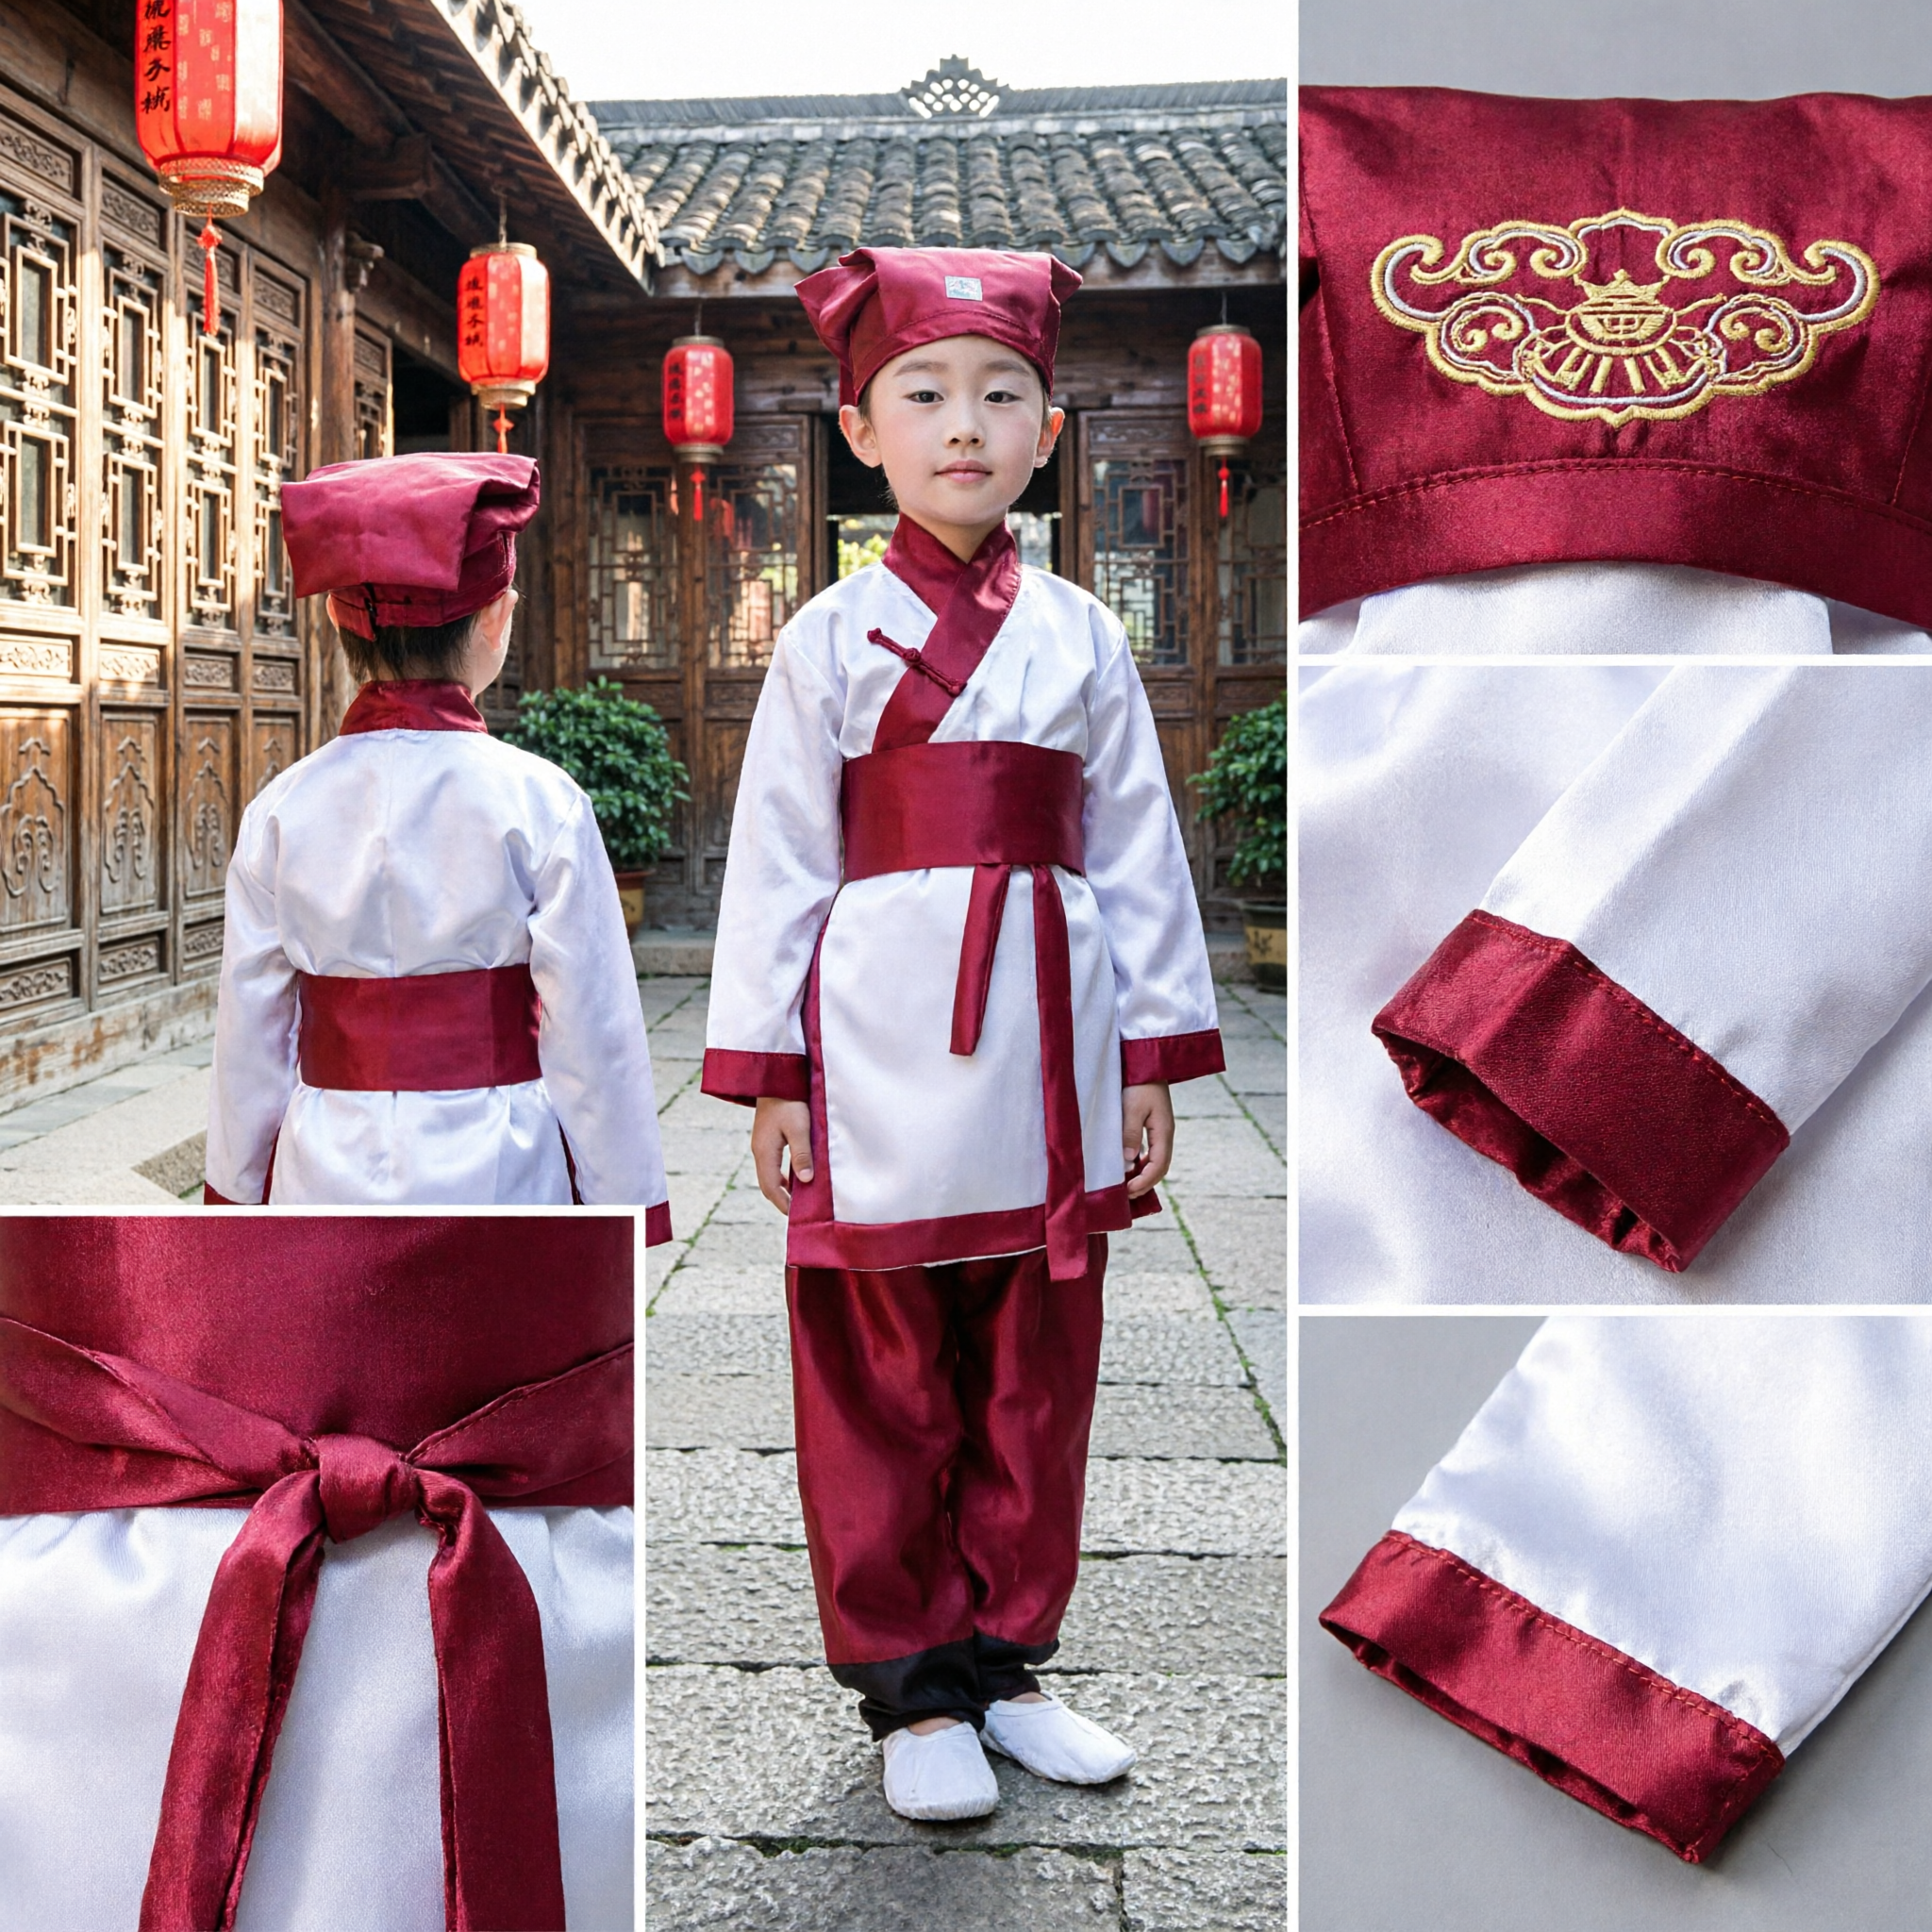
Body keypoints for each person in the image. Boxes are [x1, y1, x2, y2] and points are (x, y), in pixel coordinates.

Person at [703, 246, 1225, 1821]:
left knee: (1033, 1357)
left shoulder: (1080, 634)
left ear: (1048, 429)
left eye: (1001, 395)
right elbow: (782, 857)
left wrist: (1146, 1051)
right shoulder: (822, 640)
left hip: (1049, 1036)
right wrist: (776, 1067)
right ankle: (907, 1685)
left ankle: (1006, 1660)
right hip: (874, 1037)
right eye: (920, 393)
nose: (962, 424)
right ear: (858, 429)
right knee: (880, 1361)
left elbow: (1134, 846)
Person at [203, 451, 671, 1222]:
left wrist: (236, 1189)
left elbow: (249, 1032)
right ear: (498, 618)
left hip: (325, 1157)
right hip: (500, 1160)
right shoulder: (541, 801)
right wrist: (623, 1204)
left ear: (332, 618)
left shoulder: (281, 811)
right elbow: (596, 1033)